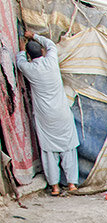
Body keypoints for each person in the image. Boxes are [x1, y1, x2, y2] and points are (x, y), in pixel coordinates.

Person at [16, 31, 79, 196]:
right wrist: (34, 35)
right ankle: (72, 184)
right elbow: (50, 44)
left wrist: (22, 49)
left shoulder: (28, 68)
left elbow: (19, 61)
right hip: (62, 112)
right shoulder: (51, 61)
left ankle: (55, 187)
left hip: (45, 116)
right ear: (42, 52)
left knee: (49, 151)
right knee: (68, 147)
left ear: (30, 56)